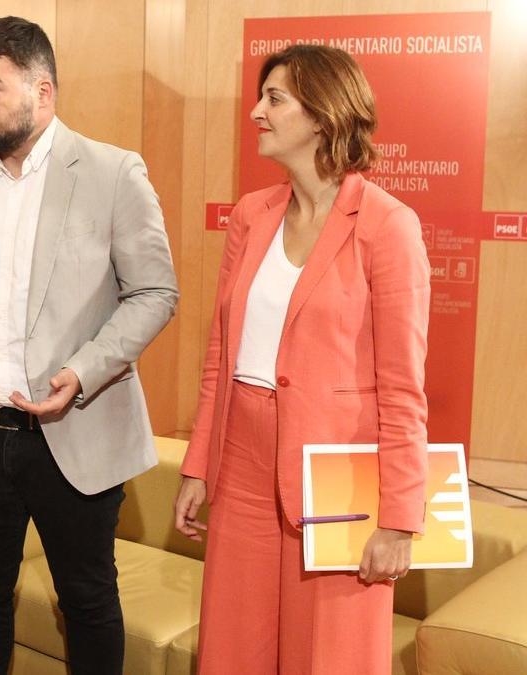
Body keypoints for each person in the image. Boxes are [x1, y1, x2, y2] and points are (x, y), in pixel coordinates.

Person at [0, 16, 178, 674]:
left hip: (77, 431)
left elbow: (155, 293)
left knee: (87, 598)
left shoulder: (112, 172)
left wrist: (83, 370)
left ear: (41, 91)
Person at [173, 45, 430, 674]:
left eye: (275, 99)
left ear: (322, 114)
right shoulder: (250, 216)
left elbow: (402, 389)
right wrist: (199, 462)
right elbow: (219, 356)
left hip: (338, 471)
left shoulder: (388, 226)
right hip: (242, 462)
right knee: (235, 650)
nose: (256, 112)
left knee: (332, 656)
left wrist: (400, 518)